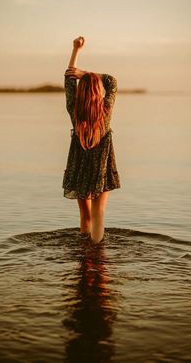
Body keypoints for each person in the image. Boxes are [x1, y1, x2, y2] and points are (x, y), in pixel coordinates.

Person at [62, 36, 120, 243]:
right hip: (101, 170)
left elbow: (69, 80)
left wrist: (75, 50)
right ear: (98, 92)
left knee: (85, 217)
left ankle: (84, 257)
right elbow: (112, 82)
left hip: (79, 169)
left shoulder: (74, 111)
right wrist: (87, 74)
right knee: (98, 215)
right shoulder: (105, 111)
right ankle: (97, 254)